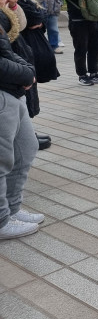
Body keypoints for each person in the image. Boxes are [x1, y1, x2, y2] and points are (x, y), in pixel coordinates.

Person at [0, 0, 59, 150]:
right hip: (9, 54)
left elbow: (28, 21)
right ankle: (20, 134)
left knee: (26, 95)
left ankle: (25, 131)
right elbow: (8, 31)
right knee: (16, 94)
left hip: (20, 51)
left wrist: (14, 6)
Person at [0, 22, 41, 240]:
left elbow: (8, 45)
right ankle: (1, 220)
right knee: (2, 160)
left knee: (26, 147)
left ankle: (12, 210)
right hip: (4, 90)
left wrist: (26, 70)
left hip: (12, 91)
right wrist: (25, 74)